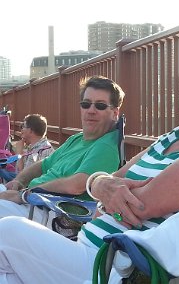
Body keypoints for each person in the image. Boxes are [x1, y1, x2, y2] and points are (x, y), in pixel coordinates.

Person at [0, 34, 179, 283]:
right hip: (95, 252)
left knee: (7, 233)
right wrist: (102, 185)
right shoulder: (178, 135)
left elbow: (137, 205)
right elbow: (111, 183)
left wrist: (108, 191)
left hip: (123, 269)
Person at [0, 75, 125, 224]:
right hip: (32, 200)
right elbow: (44, 164)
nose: (91, 110)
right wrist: (19, 180)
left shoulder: (106, 146)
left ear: (115, 112)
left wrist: (23, 195)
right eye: (86, 104)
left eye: (100, 105)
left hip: (52, 212)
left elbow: (77, 185)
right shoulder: (77, 139)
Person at [0, 114, 54, 182]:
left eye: (23, 127)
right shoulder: (33, 148)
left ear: (31, 130)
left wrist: (19, 153)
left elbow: (24, 178)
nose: (21, 130)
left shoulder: (44, 150)